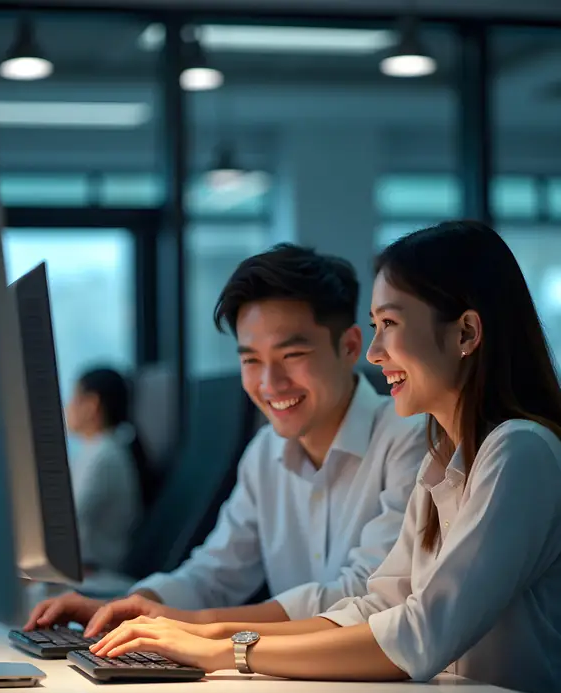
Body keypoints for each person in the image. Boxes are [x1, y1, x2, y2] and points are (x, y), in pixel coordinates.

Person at [88, 222, 561, 693]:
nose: (376, 354)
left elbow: (419, 632)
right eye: (376, 328)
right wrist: (199, 633)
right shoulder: (444, 458)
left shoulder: (518, 451)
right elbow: (377, 604)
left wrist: (227, 649)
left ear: (465, 331)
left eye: (391, 325)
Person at [25, 244, 425, 631]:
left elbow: (365, 596)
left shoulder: (409, 439)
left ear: (350, 346)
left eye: (291, 356)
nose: (270, 384)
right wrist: (126, 607)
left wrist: (194, 626)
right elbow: (213, 575)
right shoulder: (265, 452)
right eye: (251, 360)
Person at [65, 367, 156, 574]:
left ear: (91, 404)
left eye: (73, 398)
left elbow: (67, 518)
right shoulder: (97, 450)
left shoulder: (105, 456)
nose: (67, 407)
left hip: (96, 572)